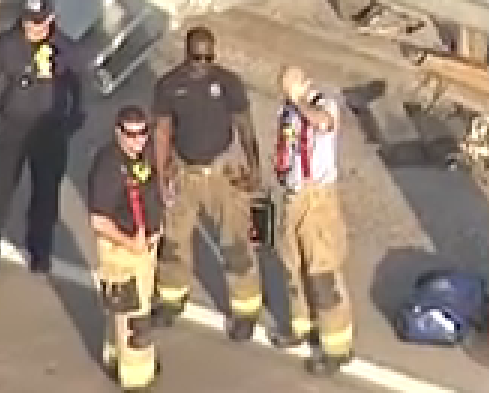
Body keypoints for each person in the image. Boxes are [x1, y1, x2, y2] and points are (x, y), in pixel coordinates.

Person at [0, 0, 88, 279]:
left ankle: (40, 251)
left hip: (50, 131)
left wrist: (71, 122)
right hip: (12, 128)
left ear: (51, 19)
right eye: (28, 22)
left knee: (46, 196)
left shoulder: (66, 49)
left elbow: (81, 88)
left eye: (38, 23)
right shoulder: (6, 47)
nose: (32, 28)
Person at [150, 26, 265, 340]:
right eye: (197, 56)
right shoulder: (169, 86)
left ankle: (245, 311)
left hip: (222, 174)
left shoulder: (228, 83)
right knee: (173, 242)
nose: (203, 62)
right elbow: (162, 132)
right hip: (185, 173)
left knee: (236, 245)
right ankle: (172, 299)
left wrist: (255, 168)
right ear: (186, 53)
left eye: (208, 56)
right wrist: (161, 176)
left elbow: (245, 126)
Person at [272, 65, 354, 374]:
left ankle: (337, 347)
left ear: (305, 83)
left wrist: (300, 103)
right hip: (294, 196)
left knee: (322, 272)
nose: (287, 92)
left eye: (292, 86)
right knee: (292, 266)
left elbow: (322, 123)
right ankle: (302, 326)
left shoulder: (322, 104)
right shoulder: (288, 112)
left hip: (318, 199)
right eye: (284, 87)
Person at [88, 106, 167, 393]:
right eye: (130, 134)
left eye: (142, 133)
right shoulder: (108, 167)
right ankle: (136, 380)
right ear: (118, 132)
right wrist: (129, 243)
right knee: (135, 319)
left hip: (143, 247)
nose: (137, 140)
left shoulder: (142, 156)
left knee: (123, 311)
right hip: (122, 250)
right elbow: (99, 220)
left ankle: (114, 355)